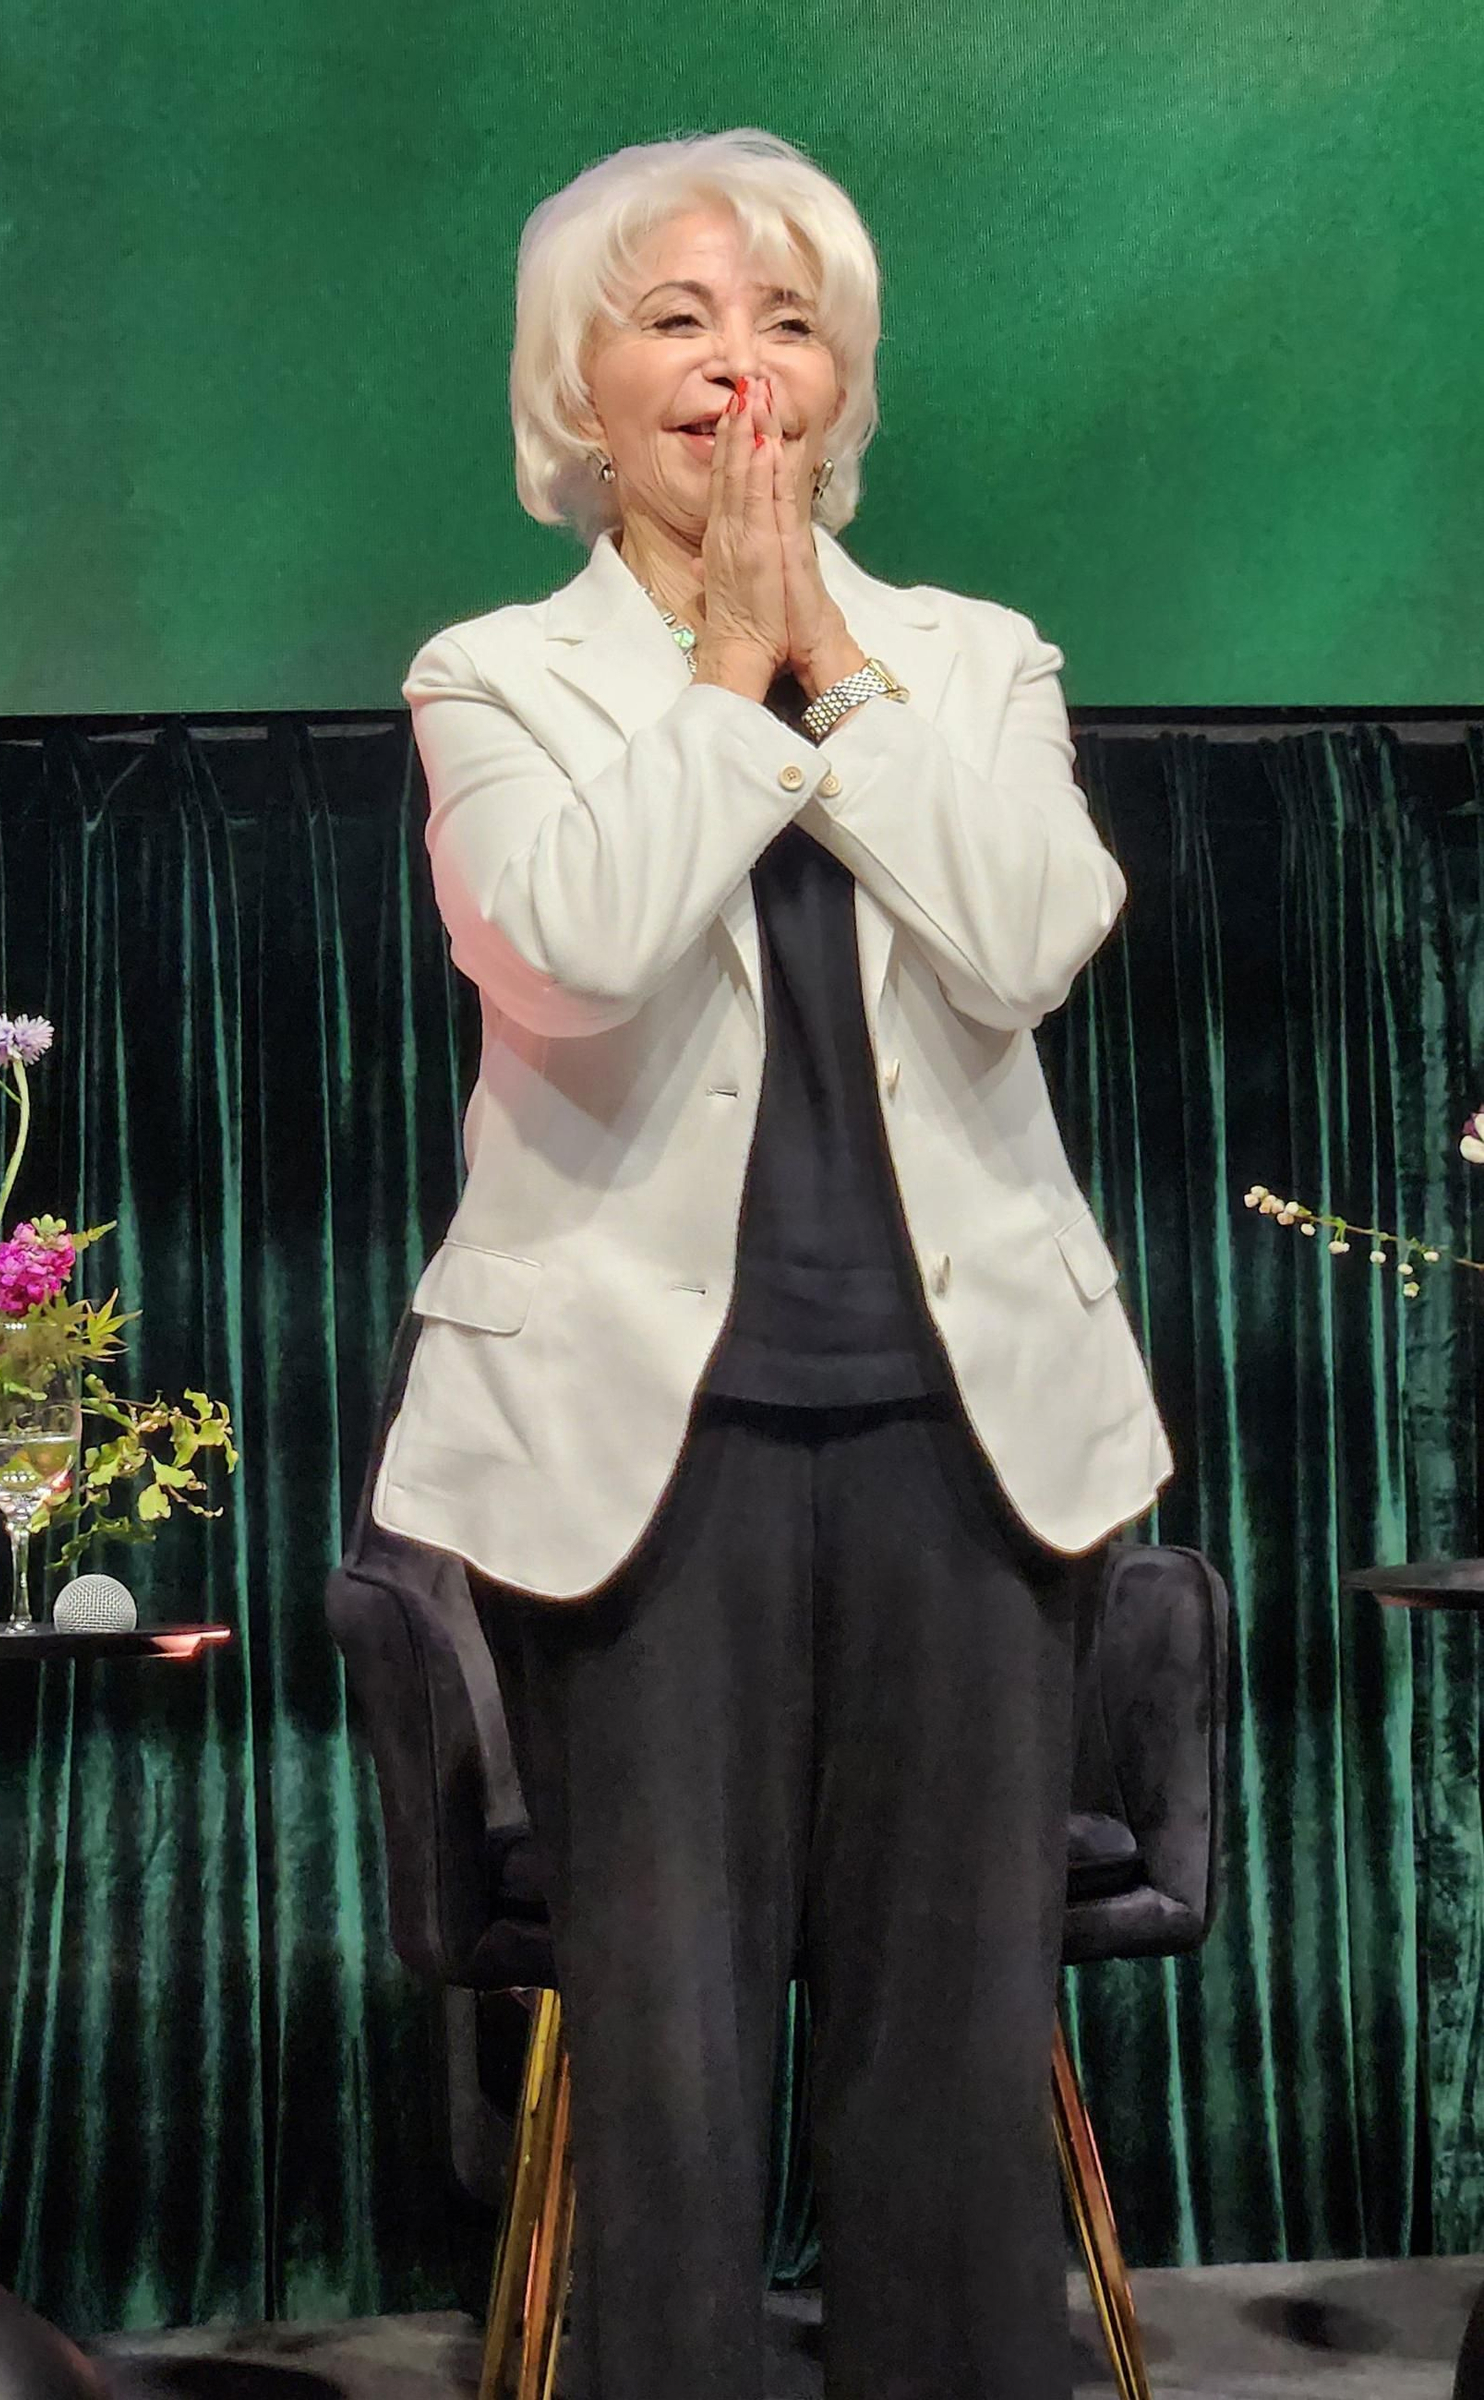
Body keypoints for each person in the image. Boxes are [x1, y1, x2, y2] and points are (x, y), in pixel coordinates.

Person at [373, 126, 1172, 2400]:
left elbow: (1025, 935)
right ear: (580, 393)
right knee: (672, 2075)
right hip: (642, 1462)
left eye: (789, 320)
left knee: (943, 2075)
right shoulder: (500, 677)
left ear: (840, 386)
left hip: (968, 1444)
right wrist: (728, 671)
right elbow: (573, 951)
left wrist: (825, 657)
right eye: (679, 319)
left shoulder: (973, 657)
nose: (741, 368)